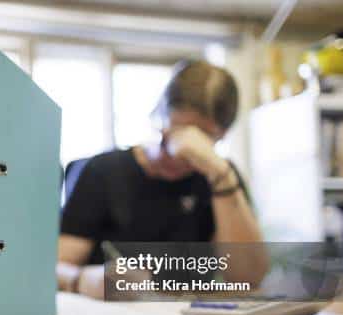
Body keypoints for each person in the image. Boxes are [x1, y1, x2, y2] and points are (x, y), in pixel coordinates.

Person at [58, 60, 266, 299]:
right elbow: (57, 267)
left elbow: (248, 278)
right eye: (173, 133)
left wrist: (220, 174)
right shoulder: (102, 172)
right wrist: (83, 279)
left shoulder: (220, 178)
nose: (179, 155)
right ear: (159, 115)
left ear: (221, 136)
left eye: (200, 140)